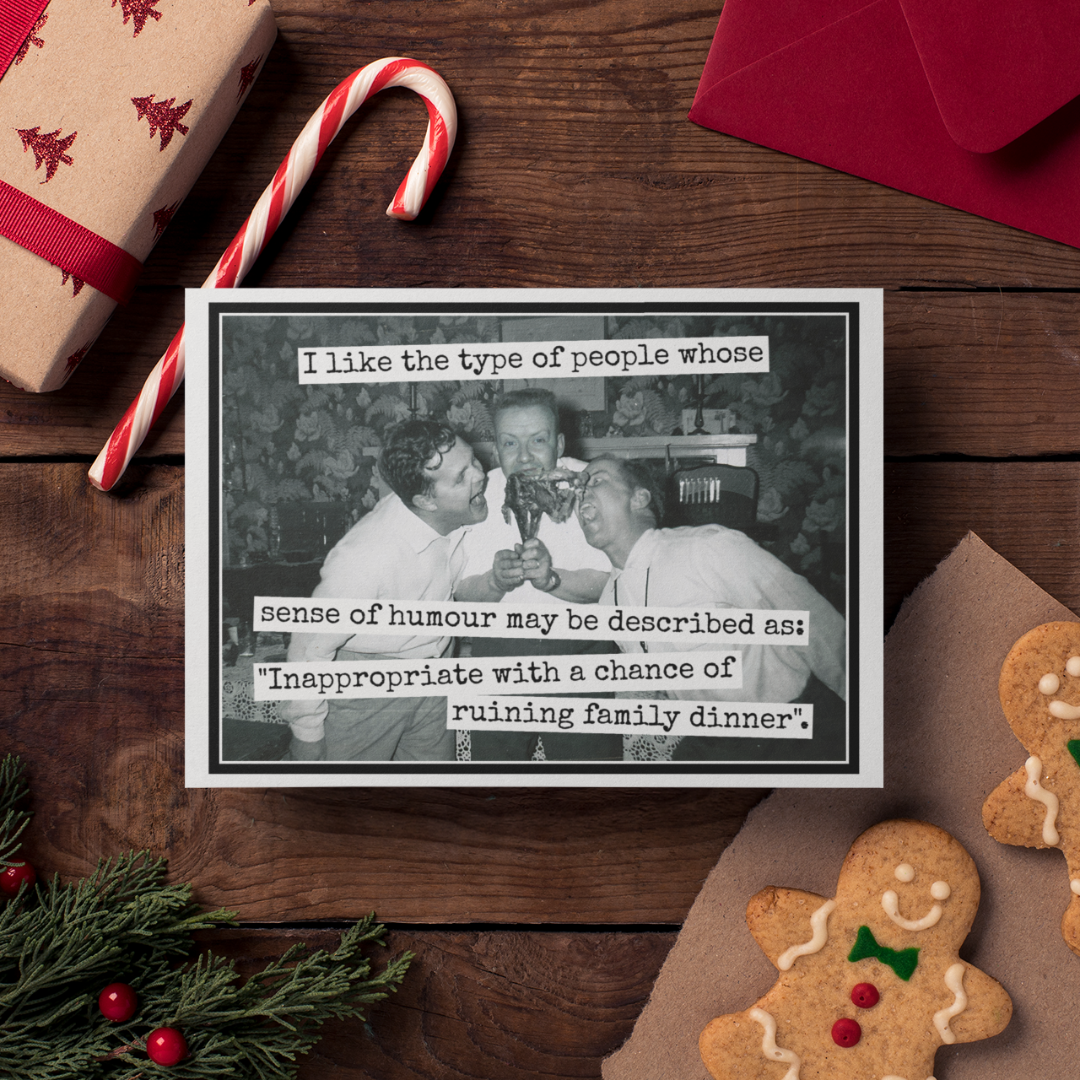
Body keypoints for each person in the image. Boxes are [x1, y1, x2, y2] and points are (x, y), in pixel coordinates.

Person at [576, 455, 847, 761]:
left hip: (791, 731)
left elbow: (815, 623)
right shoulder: (609, 600)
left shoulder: (706, 549)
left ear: (639, 498)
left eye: (596, 480)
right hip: (711, 739)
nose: (582, 492)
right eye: (579, 488)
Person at [279, 419, 489, 762]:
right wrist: (306, 732)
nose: (480, 475)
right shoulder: (368, 554)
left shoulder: (460, 509)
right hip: (365, 689)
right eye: (461, 477)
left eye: (474, 461)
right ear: (425, 501)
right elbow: (308, 645)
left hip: (435, 676)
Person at [455, 387, 621, 761]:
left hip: (580, 654)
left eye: (538, 441)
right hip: (499, 656)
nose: (525, 456)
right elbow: (461, 593)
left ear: (559, 444)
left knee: (590, 781)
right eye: (510, 443)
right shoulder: (475, 497)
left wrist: (553, 580)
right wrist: (494, 581)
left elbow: (614, 582)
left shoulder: (591, 486)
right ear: (495, 450)